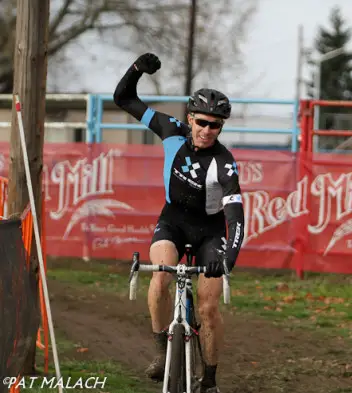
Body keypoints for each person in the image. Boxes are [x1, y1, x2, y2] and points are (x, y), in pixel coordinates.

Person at [113, 53, 245, 393]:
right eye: (202, 122)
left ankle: (210, 380)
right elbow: (123, 98)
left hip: (210, 231)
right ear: (190, 118)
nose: (206, 130)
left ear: (221, 127)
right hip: (172, 221)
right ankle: (161, 351)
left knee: (208, 307)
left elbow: (236, 216)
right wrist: (137, 69)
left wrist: (226, 260)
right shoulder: (170, 129)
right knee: (160, 276)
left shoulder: (224, 162)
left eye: (215, 125)